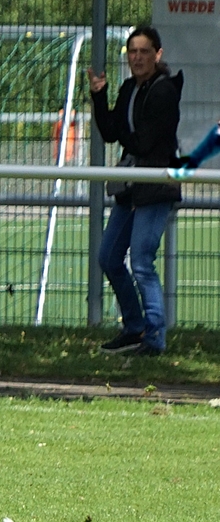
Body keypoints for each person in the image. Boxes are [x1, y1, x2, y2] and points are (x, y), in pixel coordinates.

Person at [87, 26, 183, 356]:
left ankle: (154, 338)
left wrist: (126, 139)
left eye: (144, 51)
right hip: (132, 185)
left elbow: (144, 141)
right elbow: (111, 133)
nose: (137, 58)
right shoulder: (130, 87)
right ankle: (134, 327)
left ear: (158, 54)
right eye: (132, 52)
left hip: (155, 186)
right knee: (109, 257)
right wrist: (99, 96)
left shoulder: (164, 91)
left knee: (142, 261)